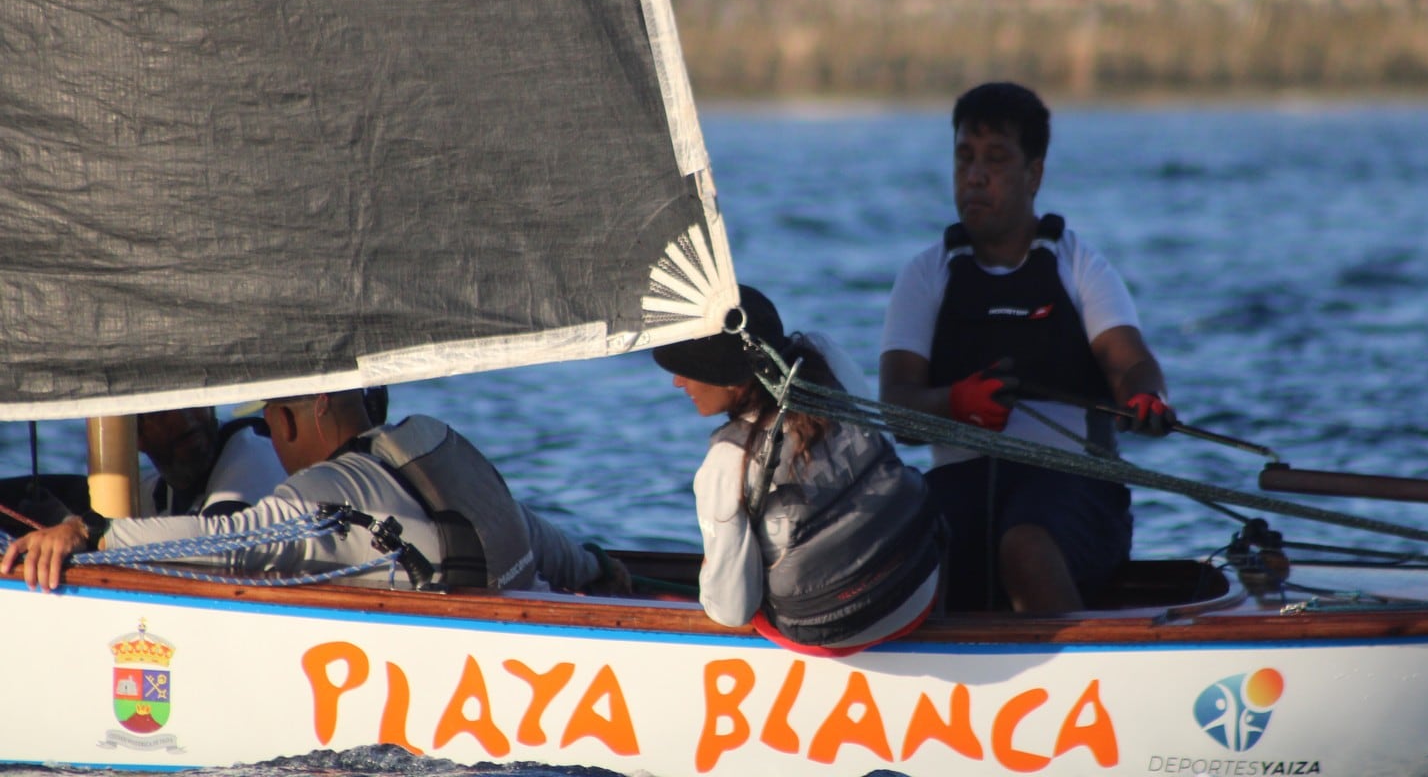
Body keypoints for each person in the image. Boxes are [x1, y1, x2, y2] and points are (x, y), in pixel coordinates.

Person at [879, 81, 1176, 614]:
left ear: (1033, 174)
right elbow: (895, 407)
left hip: (1076, 489)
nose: (975, 175)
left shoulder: (1081, 267)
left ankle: (1080, 682)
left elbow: (1130, 362)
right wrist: (954, 404)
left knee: (1024, 546)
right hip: (958, 486)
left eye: (995, 159)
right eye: (964, 158)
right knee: (906, 554)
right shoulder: (924, 276)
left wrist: (1146, 396)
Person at [2, 390, 629, 597]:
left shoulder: (329, 488)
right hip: (530, 602)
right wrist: (600, 570)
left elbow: (234, 542)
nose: (270, 440)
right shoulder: (430, 436)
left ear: (310, 412)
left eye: (273, 421)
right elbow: (515, 520)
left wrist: (95, 533)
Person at [656, 285, 942, 656]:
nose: (678, 382)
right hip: (917, 586)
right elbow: (881, 445)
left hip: (835, 629)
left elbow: (732, 611)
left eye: (686, 371)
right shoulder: (828, 360)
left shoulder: (725, 461)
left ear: (732, 379)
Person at [136, 406, 285, 517]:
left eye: (194, 398)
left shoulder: (253, 450)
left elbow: (221, 544)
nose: (184, 417)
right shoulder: (153, 493)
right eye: (162, 410)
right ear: (137, 438)